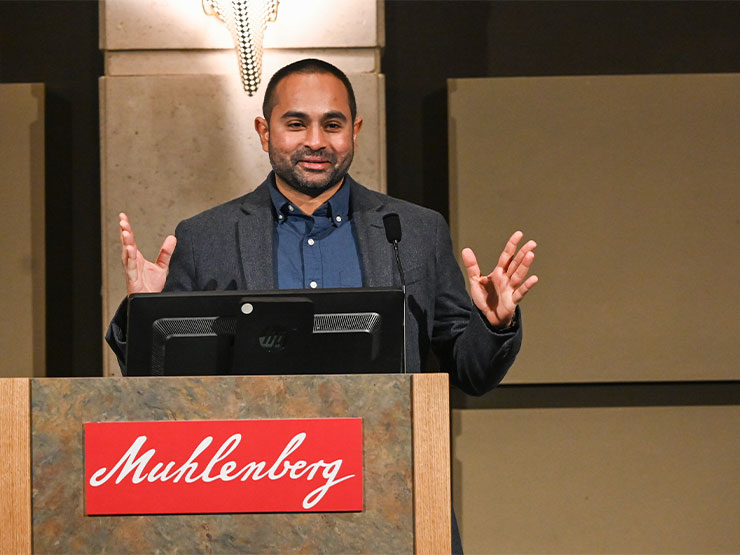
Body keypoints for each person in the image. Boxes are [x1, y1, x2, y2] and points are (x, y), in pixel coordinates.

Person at [106, 58, 537, 552]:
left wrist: (494, 323)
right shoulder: (206, 237)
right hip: (251, 501)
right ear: (264, 132)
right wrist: (145, 312)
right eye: (296, 123)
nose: (316, 140)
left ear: (354, 130)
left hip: (392, 490)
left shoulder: (415, 231)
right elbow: (160, 394)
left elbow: (472, 373)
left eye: (332, 124)